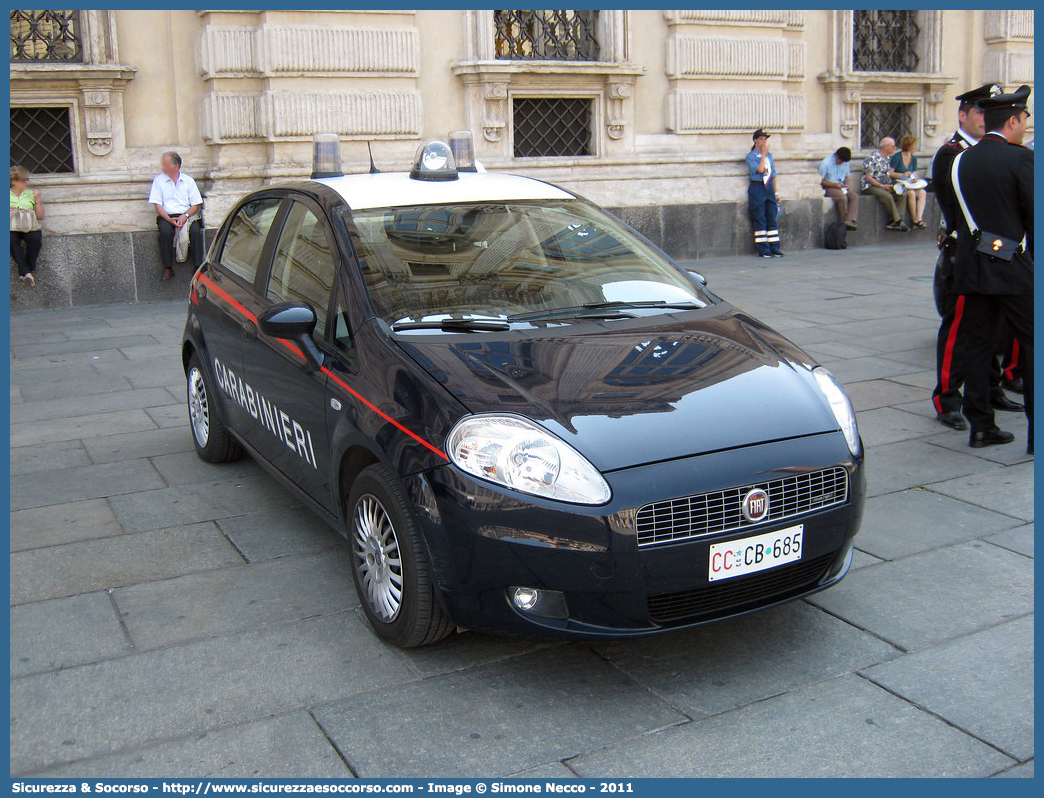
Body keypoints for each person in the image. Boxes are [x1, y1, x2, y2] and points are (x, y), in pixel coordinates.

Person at [929, 83, 1022, 429]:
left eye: (988, 112)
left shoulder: (991, 151)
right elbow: (960, 211)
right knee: (958, 328)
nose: (984, 119)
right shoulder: (952, 153)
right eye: (979, 111)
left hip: (995, 251)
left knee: (993, 325)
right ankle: (947, 397)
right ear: (962, 114)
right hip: (965, 251)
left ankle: (990, 388)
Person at [947, 85, 1033, 453]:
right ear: (1012, 120)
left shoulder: (960, 159)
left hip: (974, 265)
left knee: (978, 347)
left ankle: (981, 426)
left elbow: (954, 217)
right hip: (1015, 268)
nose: (1026, 126)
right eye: (1025, 120)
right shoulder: (1021, 160)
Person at [148, 151, 203, 281]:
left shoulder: (188, 181)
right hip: (167, 216)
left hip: (187, 215)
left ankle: (198, 267)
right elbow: (158, 206)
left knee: (195, 232)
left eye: (166, 165)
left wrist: (185, 216)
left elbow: (196, 205)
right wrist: (169, 219)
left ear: (176, 166)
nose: (163, 168)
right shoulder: (159, 181)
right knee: (165, 233)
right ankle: (168, 267)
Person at [745, 129, 783, 258]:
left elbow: (773, 174)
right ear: (755, 140)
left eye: (765, 139)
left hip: (769, 188)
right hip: (758, 187)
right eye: (761, 139)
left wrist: (776, 192)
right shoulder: (751, 156)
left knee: (771, 216)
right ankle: (764, 249)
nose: (763, 141)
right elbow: (760, 169)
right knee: (760, 217)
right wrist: (763, 155)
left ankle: (775, 247)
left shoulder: (769, 156)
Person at [860, 137, 908, 231]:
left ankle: (895, 221)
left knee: (901, 193)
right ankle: (897, 221)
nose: (895, 148)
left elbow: (889, 174)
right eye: (893, 146)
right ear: (886, 147)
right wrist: (882, 186)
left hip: (886, 184)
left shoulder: (889, 158)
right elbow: (868, 177)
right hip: (871, 186)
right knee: (887, 196)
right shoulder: (872, 157)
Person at [9, 165, 45, 287]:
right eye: (23, 180)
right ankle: (28, 273)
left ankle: (25, 273)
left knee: (35, 239)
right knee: (10, 240)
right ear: (14, 181)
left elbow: (40, 216)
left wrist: (38, 199)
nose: (27, 182)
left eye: (27, 179)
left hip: (28, 225)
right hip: (11, 226)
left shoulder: (31, 194)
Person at [889, 135, 927, 228]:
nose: (916, 147)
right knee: (911, 194)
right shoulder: (897, 157)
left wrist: (915, 178)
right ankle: (914, 219)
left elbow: (914, 172)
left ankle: (919, 218)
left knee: (922, 193)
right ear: (909, 146)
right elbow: (890, 173)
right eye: (914, 145)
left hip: (910, 183)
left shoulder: (913, 158)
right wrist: (902, 174)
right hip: (899, 182)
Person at [818, 147, 858, 230]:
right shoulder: (826, 163)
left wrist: (847, 185)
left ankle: (850, 220)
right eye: (841, 161)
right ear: (837, 157)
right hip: (830, 187)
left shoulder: (845, 163)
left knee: (854, 196)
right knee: (842, 198)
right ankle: (844, 220)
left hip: (841, 186)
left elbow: (846, 177)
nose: (841, 163)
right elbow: (820, 181)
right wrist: (835, 185)